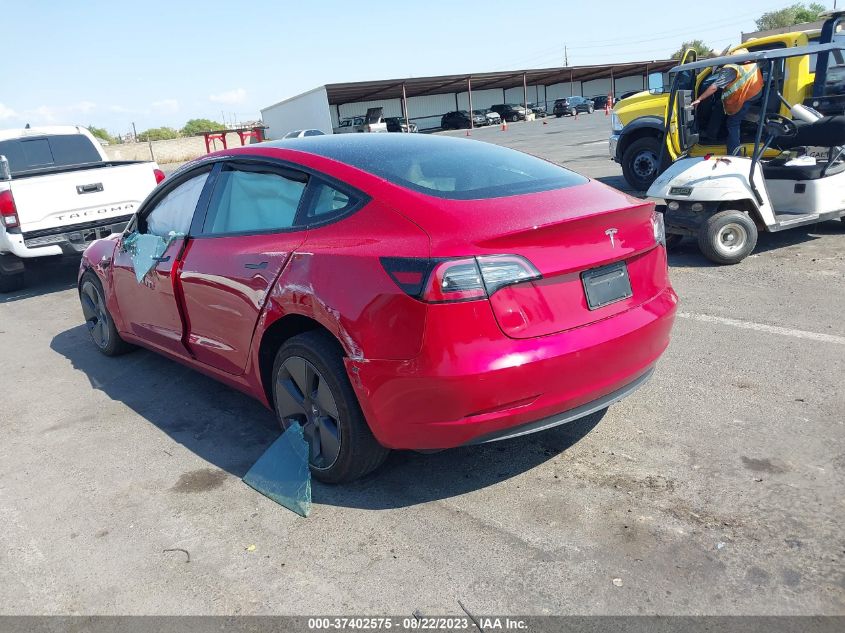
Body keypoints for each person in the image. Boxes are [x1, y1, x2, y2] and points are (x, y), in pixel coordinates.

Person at [691, 50, 764, 156]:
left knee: (733, 123)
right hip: (756, 90)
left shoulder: (729, 69)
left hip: (747, 96)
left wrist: (699, 99)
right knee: (719, 106)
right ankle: (712, 133)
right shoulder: (742, 56)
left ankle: (735, 154)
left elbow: (714, 87)